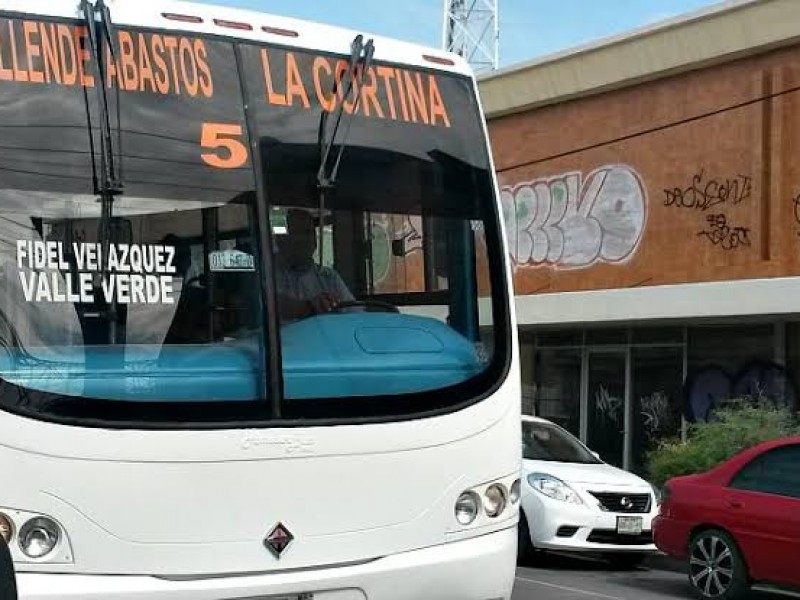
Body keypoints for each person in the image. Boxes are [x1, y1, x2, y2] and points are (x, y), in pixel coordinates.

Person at [274, 209, 353, 320]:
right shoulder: (268, 276)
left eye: (309, 232)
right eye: (297, 232)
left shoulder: (328, 277)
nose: (305, 239)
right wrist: (308, 307)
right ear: (280, 239)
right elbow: (270, 306)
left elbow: (355, 313)